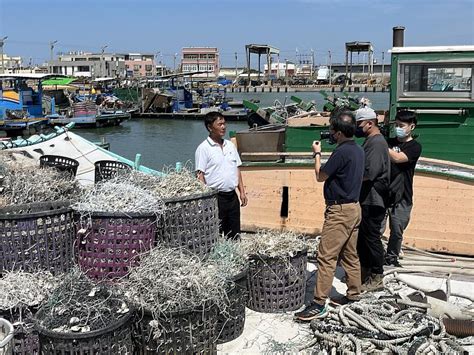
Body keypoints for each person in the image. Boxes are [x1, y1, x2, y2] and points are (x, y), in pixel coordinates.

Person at [295, 110, 365, 321]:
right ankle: (354, 295)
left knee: (326, 257)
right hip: (354, 208)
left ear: (338, 133)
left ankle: (318, 304)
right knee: (350, 254)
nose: (330, 133)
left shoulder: (341, 152)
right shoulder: (358, 150)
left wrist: (317, 153)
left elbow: (320, 176)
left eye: (331, 130)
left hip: (339, 212)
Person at [195, 112, 248, 239]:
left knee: (234, 234)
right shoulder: (203, 149)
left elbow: (237, 169)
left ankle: (234, 256)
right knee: (216, 234)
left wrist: (242, 192)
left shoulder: (230, 145)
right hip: (216, 198)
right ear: (210, 127)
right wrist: (205, 199)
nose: (223, 127)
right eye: (219, 124)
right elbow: (200, 175)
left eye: (224, 124)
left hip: (232, 197)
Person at [354, 107, 390, 292]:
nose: (357, 127)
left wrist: (350, 175)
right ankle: (365, 272)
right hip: (368, 198)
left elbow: (371, 171)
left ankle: (377, 276)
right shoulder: (371, 141)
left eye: (359, 124)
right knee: (363, 238)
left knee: (371, 238)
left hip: (373, 199)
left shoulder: (376, 143)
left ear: (370, 123)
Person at [384, 110, 422, 266]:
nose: (398, 128)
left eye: (401, 125)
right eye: (396, 125)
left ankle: (392, 258)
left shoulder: (414, 147)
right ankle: (374, 257)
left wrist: (380, 144)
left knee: (397, 230)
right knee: (376, 229)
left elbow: (399, 158)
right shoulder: (389, 141)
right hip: (383, 192)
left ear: (411, 126)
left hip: (403, 195)